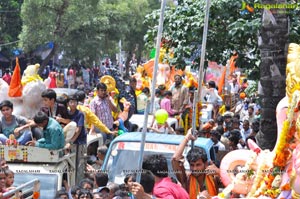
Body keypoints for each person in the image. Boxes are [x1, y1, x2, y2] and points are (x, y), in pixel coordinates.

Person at [172, 129, 219, 199]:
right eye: (192, 165)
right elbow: (175, 159)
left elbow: (234, 182)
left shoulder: (214, 177)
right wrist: (187, 137)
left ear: (205, 164)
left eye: (198, 165)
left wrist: (219, 171)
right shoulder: (187, 179)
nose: (194, 169)